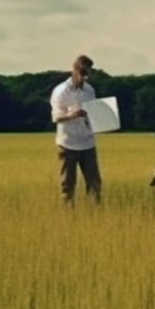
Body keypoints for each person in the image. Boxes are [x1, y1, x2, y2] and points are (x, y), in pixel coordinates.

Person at [50, 54, 101, 204]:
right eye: (82, 74)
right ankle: (69, 216)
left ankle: (95, 213)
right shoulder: (61, 91)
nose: (83, 79)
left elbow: (94, 111)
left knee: (95, 182)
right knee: (68, 184)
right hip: (68, 143)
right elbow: (57, 118)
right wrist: (72, 115)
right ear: (74, 70)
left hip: (88, 142)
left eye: (87, 75)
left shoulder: (89, 91)